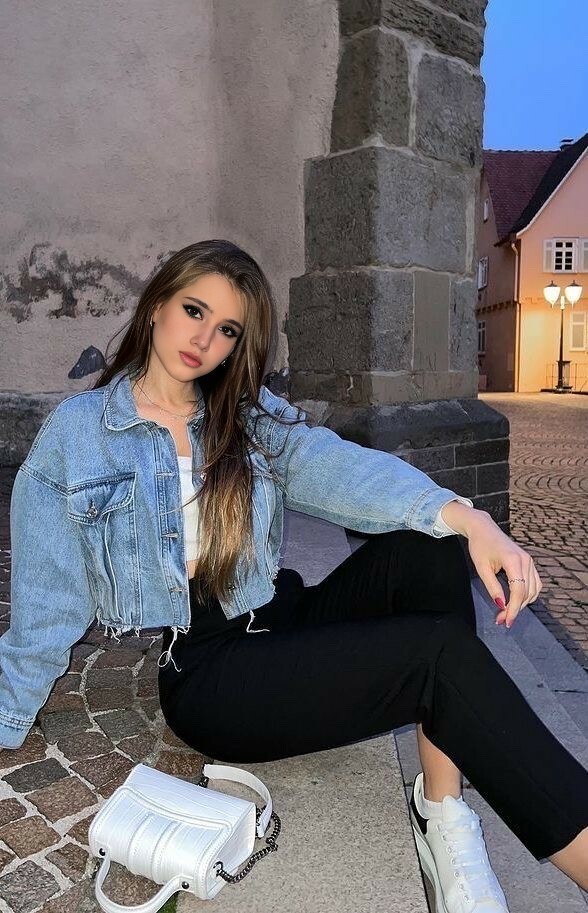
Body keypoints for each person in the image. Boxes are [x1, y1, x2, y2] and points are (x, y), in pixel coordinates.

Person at [2, 240, 587, 911]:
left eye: (228, 329)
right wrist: (8, 715)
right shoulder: (79, 434)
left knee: (428, 545)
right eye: (194, 310)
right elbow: (47, 598)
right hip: (209, 672)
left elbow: (341, 469)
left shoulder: (246, 416)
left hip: (278, 614)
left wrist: (470, 518)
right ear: (157, 303)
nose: (204, 340)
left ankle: (442, 808)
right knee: (436, 655)